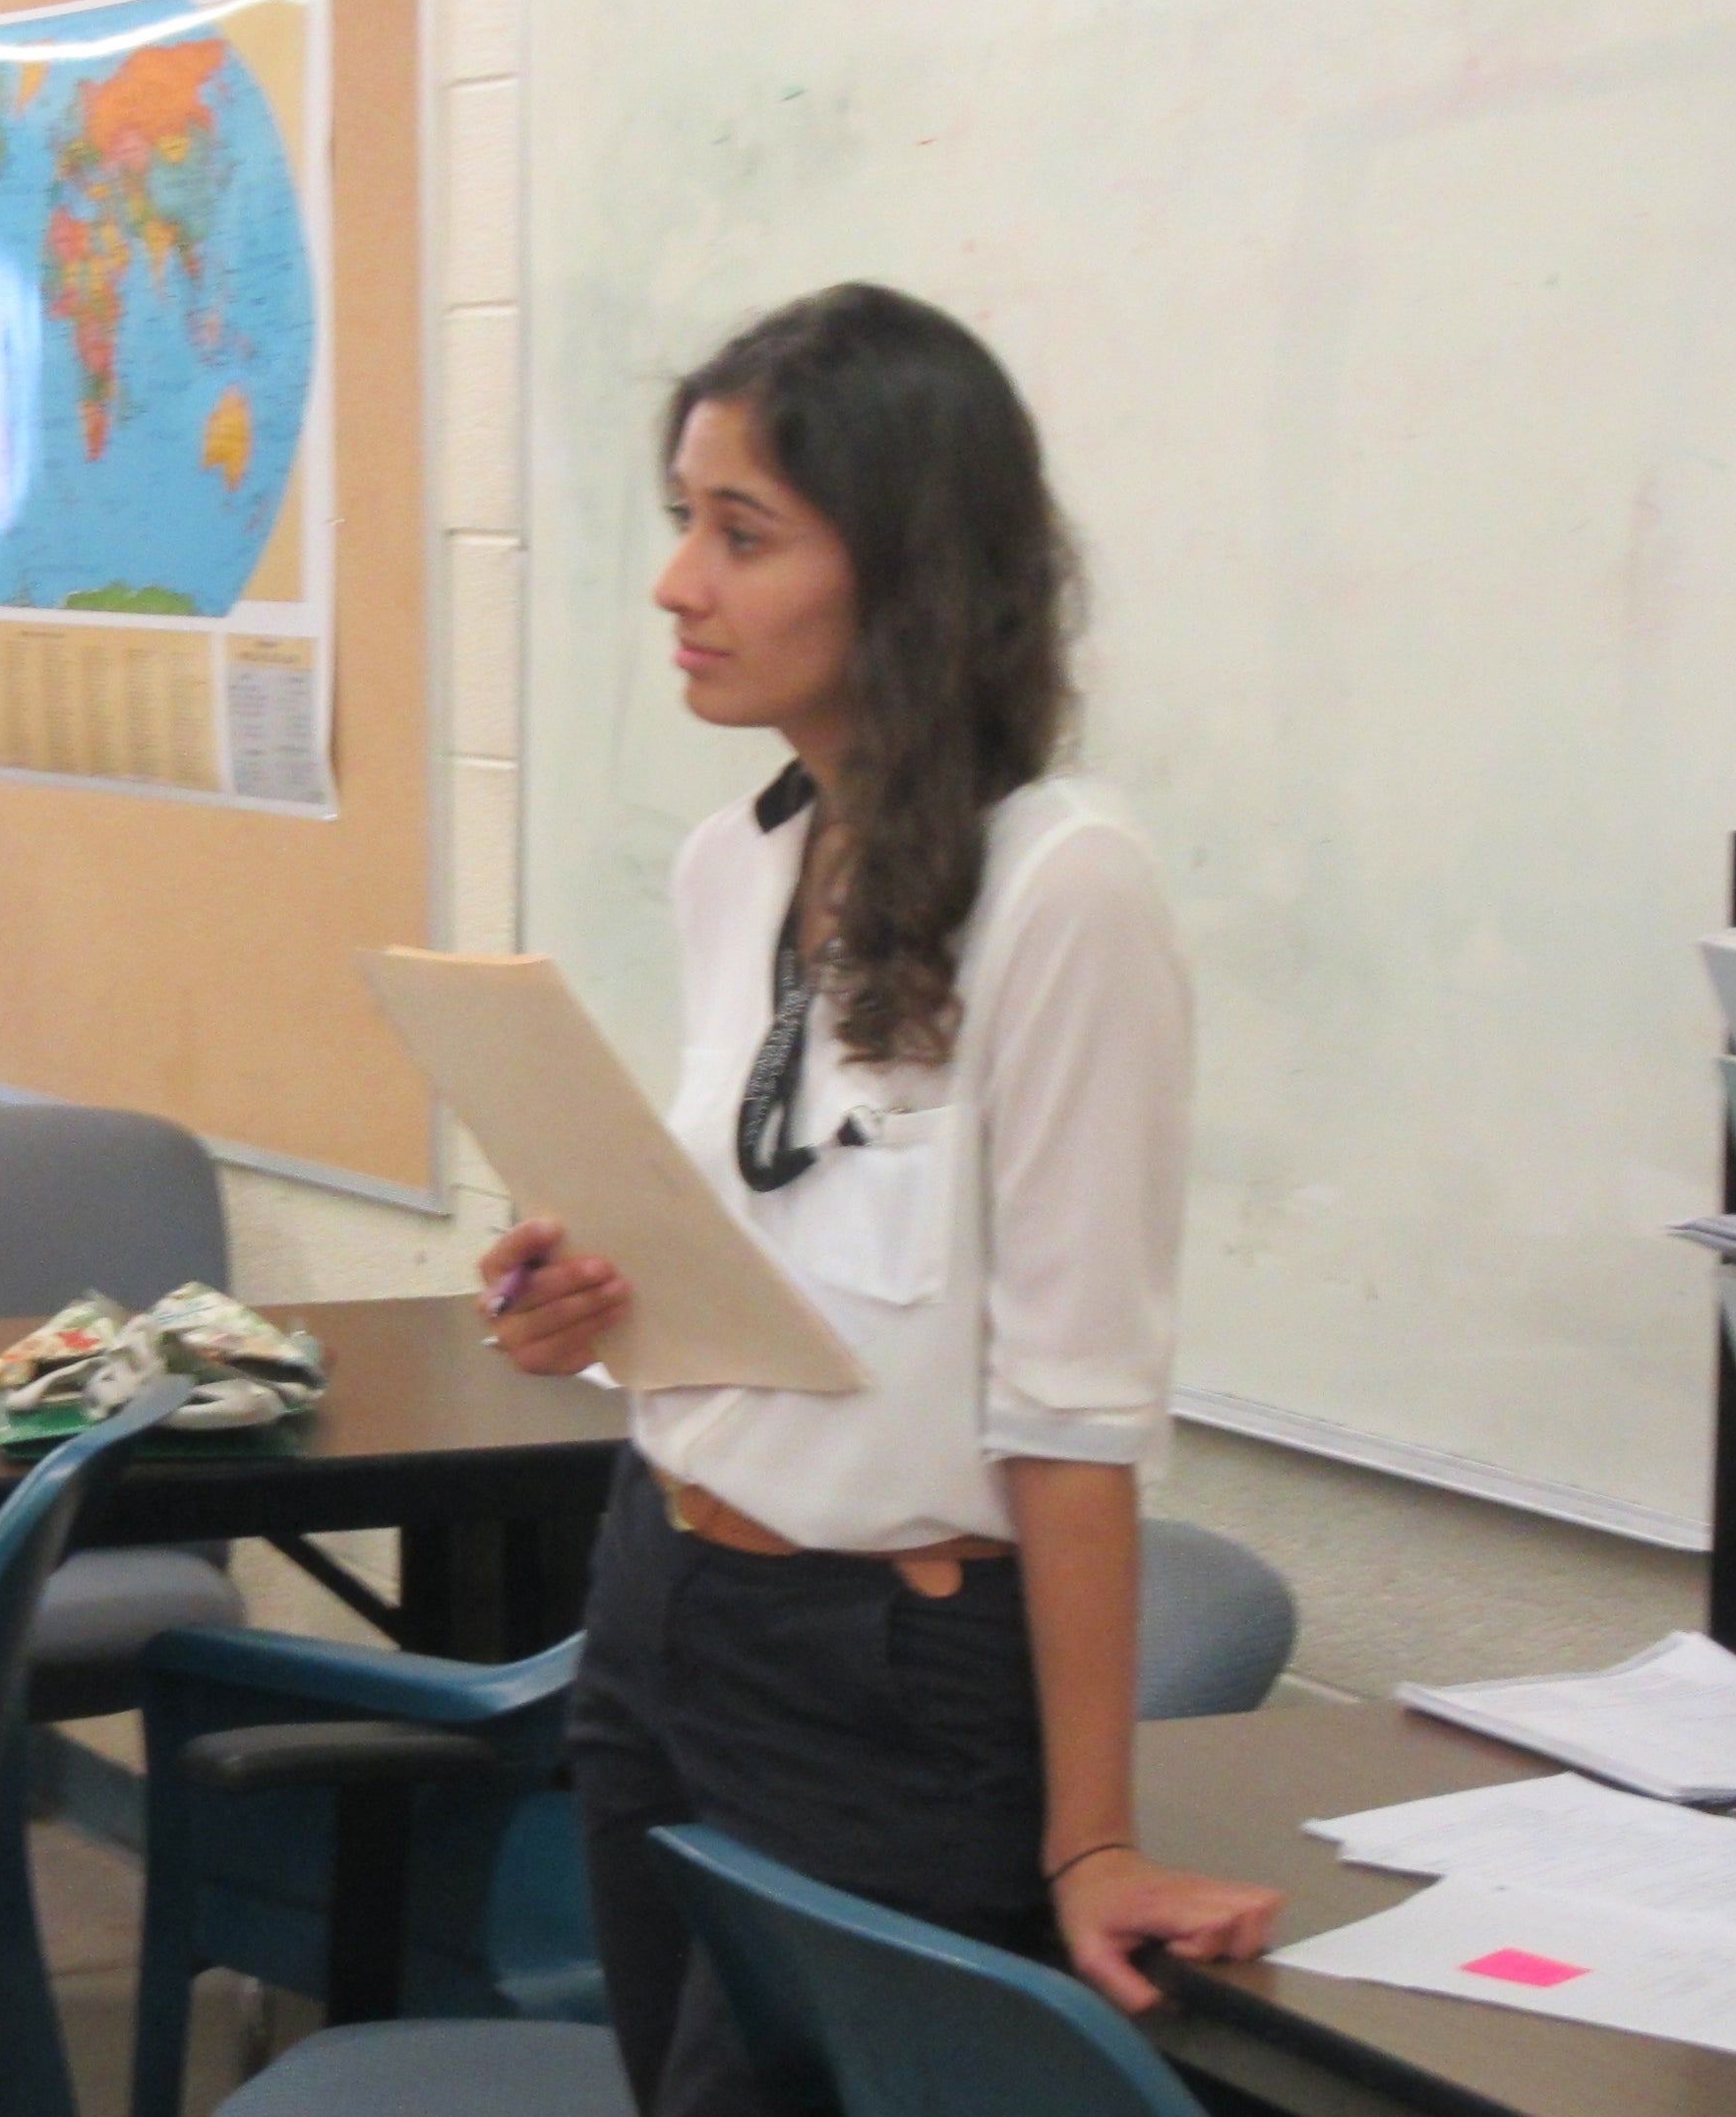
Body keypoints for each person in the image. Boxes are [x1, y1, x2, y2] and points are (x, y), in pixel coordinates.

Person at [481, 282, 1285, 2116]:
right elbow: (770, 1272)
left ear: (908, 575)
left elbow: (1072, 1413)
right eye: (682, 520)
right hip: (658, 1603)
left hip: (888, 1678)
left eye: (740, 533)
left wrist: (1091, 1841)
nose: (678, 583)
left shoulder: (1064, 894)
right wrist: (587, 1309)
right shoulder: (733, 860)